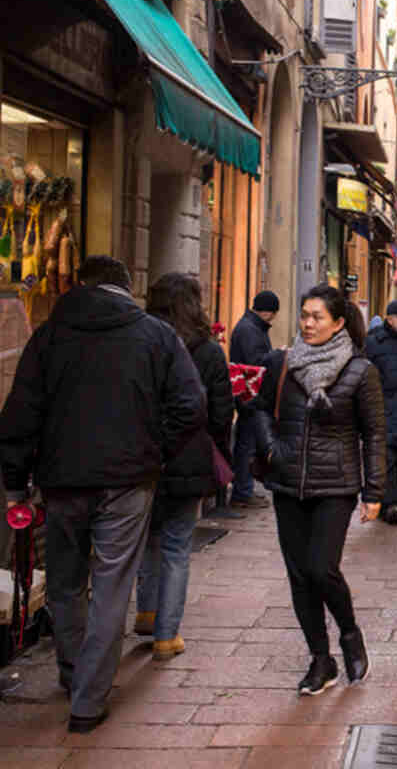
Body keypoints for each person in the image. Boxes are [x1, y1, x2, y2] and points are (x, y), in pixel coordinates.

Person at [0, 256, 204, 733]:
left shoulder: (50, 335)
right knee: (112, 584)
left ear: (83, 286)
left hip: (62, 478)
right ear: (125, 287)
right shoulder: (156, 335)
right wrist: (157, 449)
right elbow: (190, 405)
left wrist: (15, 484)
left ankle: (74, 668)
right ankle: (88, 700)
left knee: (67, 580)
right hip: (130, 479)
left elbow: (19, 413)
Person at [253, 283, 386, 695]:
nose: (307, 324)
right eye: (304, 315)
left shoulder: (360, 371)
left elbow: (375, 433)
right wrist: (272, 449)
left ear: (339, 322)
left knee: (321, 568)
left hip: (337, 484)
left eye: (317, 317)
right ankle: (320, 659)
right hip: (288, 482)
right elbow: (259, 409)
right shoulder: (282, 362)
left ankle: (349, 633)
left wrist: (375, 491)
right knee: (298, 575)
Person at [135, 273, 235, 661]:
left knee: (147, 537)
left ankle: (146, 611)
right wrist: (218, 453)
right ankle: (166, 634)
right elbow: (222, 411)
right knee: (177, 546)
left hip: (143, 457)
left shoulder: (141, 342)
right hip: (189, 458)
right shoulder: (207, 351)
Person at [228, 291, 279, 508]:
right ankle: (242, 492)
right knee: (247, 444)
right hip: (251, 396)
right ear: (267, 311)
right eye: (274, 313)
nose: (274, 318)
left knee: (248, 442)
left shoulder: (252, 327)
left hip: (249, 395)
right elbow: (255, 363)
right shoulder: (250, 330)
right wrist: (275, 358)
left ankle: (244, 489)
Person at [364, 299, 397, 524]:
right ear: (390, 319)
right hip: (383, 408)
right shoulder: (374, 342)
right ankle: (392, 504)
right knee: (387, 458)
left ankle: (388, 503)